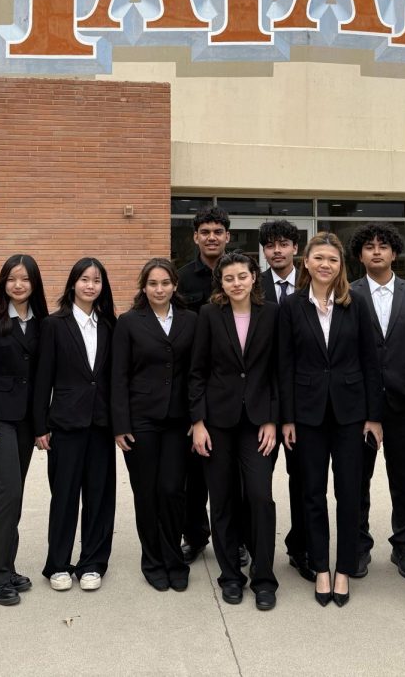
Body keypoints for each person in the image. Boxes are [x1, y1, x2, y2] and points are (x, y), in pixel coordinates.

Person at [279, 233, 383, 608]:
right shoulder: (290, 307)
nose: (325, 264)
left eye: (333, 260)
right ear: (305, 262)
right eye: (318, 257)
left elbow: (372, 363)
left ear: (342, 266)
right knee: (311, 493)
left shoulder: (356, 304)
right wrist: (287, 418)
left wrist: (374, 417)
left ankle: (344, 568)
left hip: (351, 415)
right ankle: (320, 566)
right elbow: (284, 365)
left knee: (350, 493)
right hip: (306, 416)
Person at [189, 251, 280, 610]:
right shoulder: (210, 315)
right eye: (229, 278)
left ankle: (264, 578)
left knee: (260, 497)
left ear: (254, 277)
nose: (236, 283)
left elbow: (277, 370)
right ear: (221, 283)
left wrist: (272, 418)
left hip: (258, 423)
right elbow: (197, 372)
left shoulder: (272, 313)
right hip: (217, 422)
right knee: (223, 500)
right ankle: (230, 577)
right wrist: (197, 422)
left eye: (242, 276)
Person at [111, 258, 197, 592]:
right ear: (143, 288)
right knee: (146, 493)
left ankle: (174, 558)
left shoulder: (192, 320)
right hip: (140, 419)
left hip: (179, 421)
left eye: (165, 283)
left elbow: (196, 372)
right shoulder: (129, 322)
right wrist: (120, 423)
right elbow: (117, 376)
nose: (158, 289)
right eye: (152, 284)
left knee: (172, 491)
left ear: (175, 286)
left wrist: (197, 417)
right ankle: (153, 560)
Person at [0, 254, 48, 606]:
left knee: (13, 498)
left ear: (34, 283)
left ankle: (4, 565)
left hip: (27, 420)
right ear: (3, 283)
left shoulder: (42, 321)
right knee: (8, 492)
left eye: (25, 279)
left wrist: (41, 425)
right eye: (11, 279)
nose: (18, 285)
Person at [33, 258, 117, 592]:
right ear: (72, 284)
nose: (90, 286)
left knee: (99, 495)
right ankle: (58, 564)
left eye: (97, 280)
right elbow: (43, 379)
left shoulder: (111, 324)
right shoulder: (55, 325)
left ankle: (93, 563)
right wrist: (40, 425)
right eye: (84, 279)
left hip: (100, 423)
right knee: (64, 495)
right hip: (65, 423)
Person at [348, 222, 405, 581]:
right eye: (368, 247)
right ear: (359, 255)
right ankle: (359, 545)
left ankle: (404, 544)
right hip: (361, 405)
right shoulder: (347, 293)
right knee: (357, 478)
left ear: (395, 252)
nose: (376, 252)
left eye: (383, 246)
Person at [257, 218, 312, 581]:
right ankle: (252, 545)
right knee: (256, 484)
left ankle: (301, 548)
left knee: (304, 480)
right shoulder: (251, 284)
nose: (277, 250)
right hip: (259, 401)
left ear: (295, 248)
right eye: (270, 245)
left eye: (283, 244)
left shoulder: (314, 284)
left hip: (302, 403)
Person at [175, 205, 230, 563]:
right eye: (205, 231)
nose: (211, 237)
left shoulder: (240, 273)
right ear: (195, 237)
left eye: (217, 231)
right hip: (190, 384)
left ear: (227, 236)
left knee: (229, 472)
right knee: (192, 472)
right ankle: (195, 536)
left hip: (229, 386)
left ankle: (235, 537)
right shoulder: (181, 278)